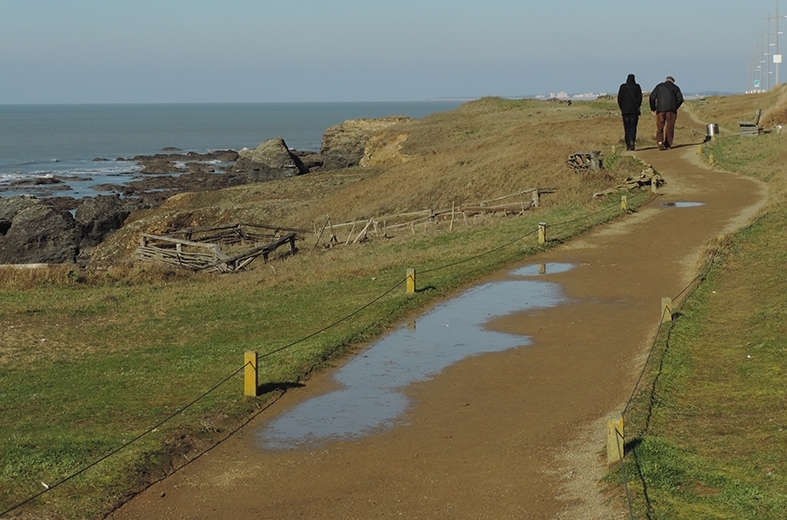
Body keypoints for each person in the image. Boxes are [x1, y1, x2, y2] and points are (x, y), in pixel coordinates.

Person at [649, 76, 684, 150]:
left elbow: (652, 97)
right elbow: (680, 99)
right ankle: (667, 144)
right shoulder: (675, 88)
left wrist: (653, 108)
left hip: (660, 110)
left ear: (666, 80)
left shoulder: (659, 86)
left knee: (660, 126)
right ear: (673, 81)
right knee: (670, 127)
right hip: (671, 110)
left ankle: (660, 142)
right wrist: (675, 107)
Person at [617, 74, 643, 151]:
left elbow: (619, 99)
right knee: (633, 127)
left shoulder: (623, 87)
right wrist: (637, 106)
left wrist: (622, 108)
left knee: (626, 128)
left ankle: (628, 144)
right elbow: (640, 98)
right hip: (634, 111)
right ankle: (632, 141)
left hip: (625, 111)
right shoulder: (637, 86)